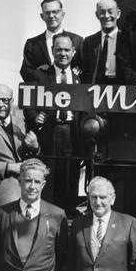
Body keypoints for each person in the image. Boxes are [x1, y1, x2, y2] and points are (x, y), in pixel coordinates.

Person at [24, 33, 82, 213]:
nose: (62, 53)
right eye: (58, 50)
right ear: (52, 51)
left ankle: (68, 216)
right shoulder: (40, 75)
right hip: (50, 132)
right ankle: (47, 214)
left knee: (70, 175)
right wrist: (35, 117)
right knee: (50, 176)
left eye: (66, 50)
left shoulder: (80, 76)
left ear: (73, 52)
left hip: (73, 133)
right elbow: (28, 103)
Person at [20, 0, 83, 82]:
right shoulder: (32, 44)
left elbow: (85, 68)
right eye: (47, 13)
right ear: (42, 16)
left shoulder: (77, 40)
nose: (51, 16)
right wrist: (38, 74)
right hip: (44, 92)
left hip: (72, 91)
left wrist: (75, 73)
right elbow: (25, 71)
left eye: (55, 12)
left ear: (62, 14)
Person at [81, 0, 122, 84]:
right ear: (97, 15)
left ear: (118, 14)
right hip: (96, 88)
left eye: (110, 12)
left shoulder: (127, 39)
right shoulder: (89, 42)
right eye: (102, 12)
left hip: (121, 87)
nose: (106, 16)